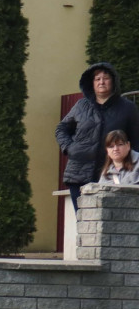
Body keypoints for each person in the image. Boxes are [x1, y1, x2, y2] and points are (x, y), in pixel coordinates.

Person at [56, 62, 139, 211]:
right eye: (97, 79)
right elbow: (61, 129)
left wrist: (131, 167)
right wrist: (69, 148)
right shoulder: (81, 105)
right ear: (92, 83)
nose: (101, 82)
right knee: (83, 220)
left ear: (113, 81)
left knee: (111, 218)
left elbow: (136, 140)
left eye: (106, 78)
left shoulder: (127, 108)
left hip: (112, 174)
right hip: (79, 174)